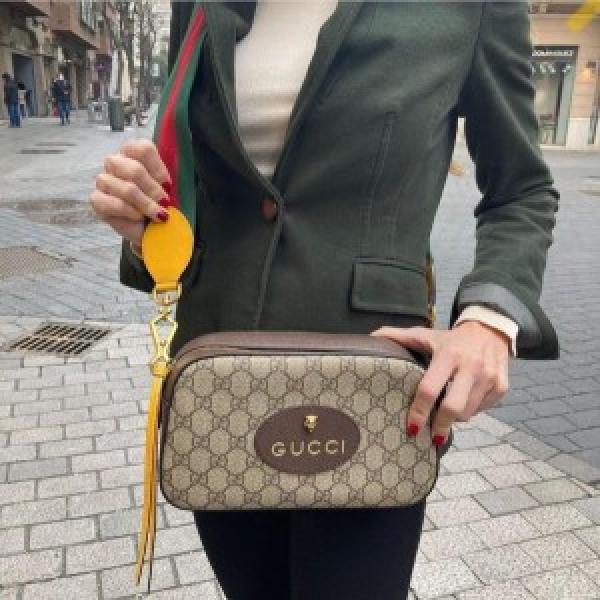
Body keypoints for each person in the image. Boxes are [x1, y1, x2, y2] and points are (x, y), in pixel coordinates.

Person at [90, 2, 560, 598]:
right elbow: (197, 191)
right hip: (222, 386)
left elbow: (522, 190)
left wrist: (490, 320)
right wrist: (144, 224)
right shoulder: (203, 6)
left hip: (370, 393)